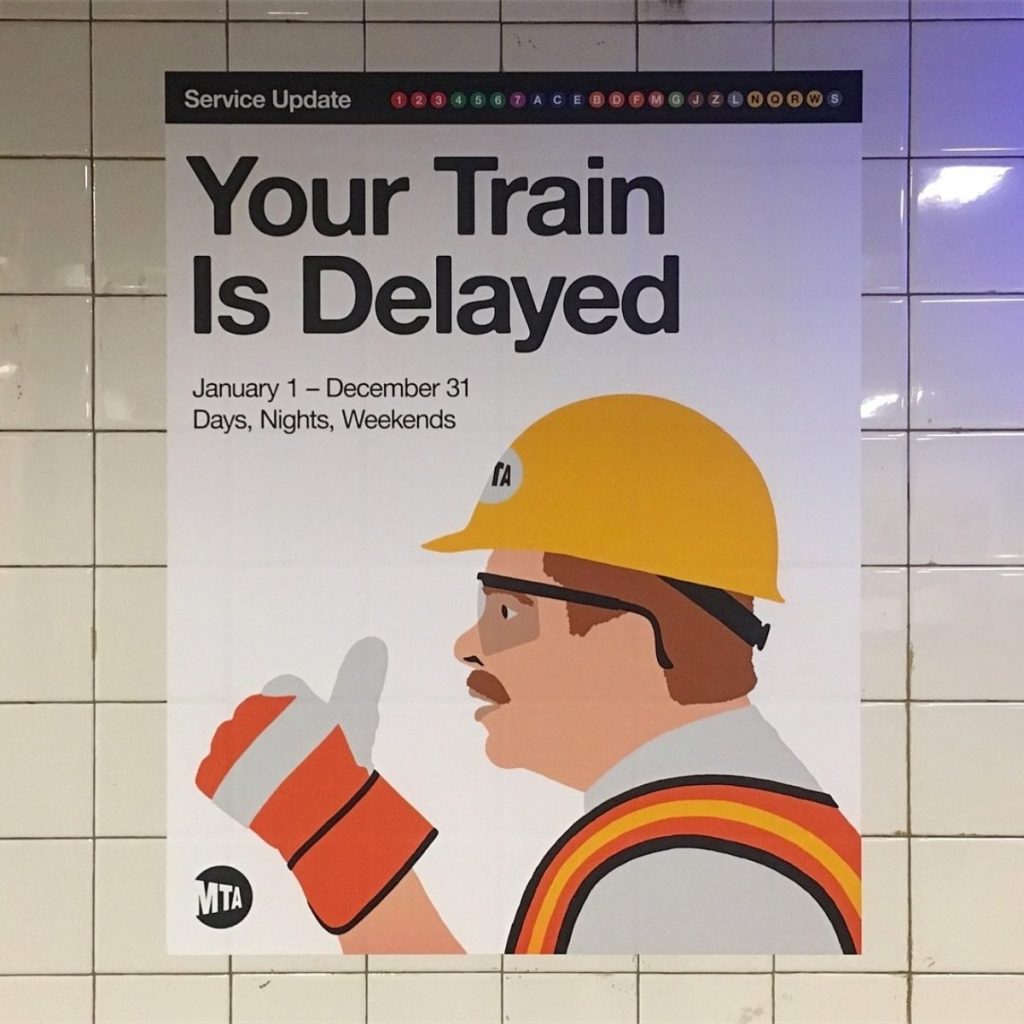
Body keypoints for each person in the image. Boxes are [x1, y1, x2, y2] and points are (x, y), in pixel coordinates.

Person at [196, 394, 861, 954]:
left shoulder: (697, 872)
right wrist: (343, 838)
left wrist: (334, 831)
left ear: (634, 637)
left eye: (509, 610)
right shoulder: (708, 834)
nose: (467, 644)